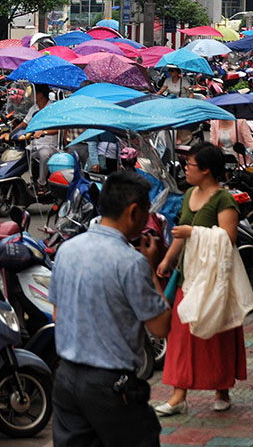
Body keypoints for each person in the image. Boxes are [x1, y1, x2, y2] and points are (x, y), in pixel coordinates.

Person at [49, 171, 171, 445]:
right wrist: (150, 268)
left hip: (67, 378)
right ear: (133, 211)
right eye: (145, 213)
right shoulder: (132, 262)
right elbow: (161, 326)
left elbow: (59, 316)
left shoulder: (67, 249)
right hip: (110, 384)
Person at [155, 142, 246, 415]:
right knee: (182, 335)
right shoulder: (189, 195)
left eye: (190, 165)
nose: (186, 169)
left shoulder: (223, 199)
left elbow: (228, 238)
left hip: (215, 279)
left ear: (206, 170)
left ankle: (222, 389)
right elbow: (181, 235)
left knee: (217, 334)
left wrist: (193, 233)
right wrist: (168, 259)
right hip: (188, 276)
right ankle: (178, 395)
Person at [14, 84, 57, 192]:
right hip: (33, 144)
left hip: (49, 145)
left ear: (40, 95)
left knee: (44, 155)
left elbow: (58, 129)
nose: (30, 96)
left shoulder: (53, 109)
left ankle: (41, 183)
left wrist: (44, 132)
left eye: (32, 93)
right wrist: (11, 133)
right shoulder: (34, 108)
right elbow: (24, 124)